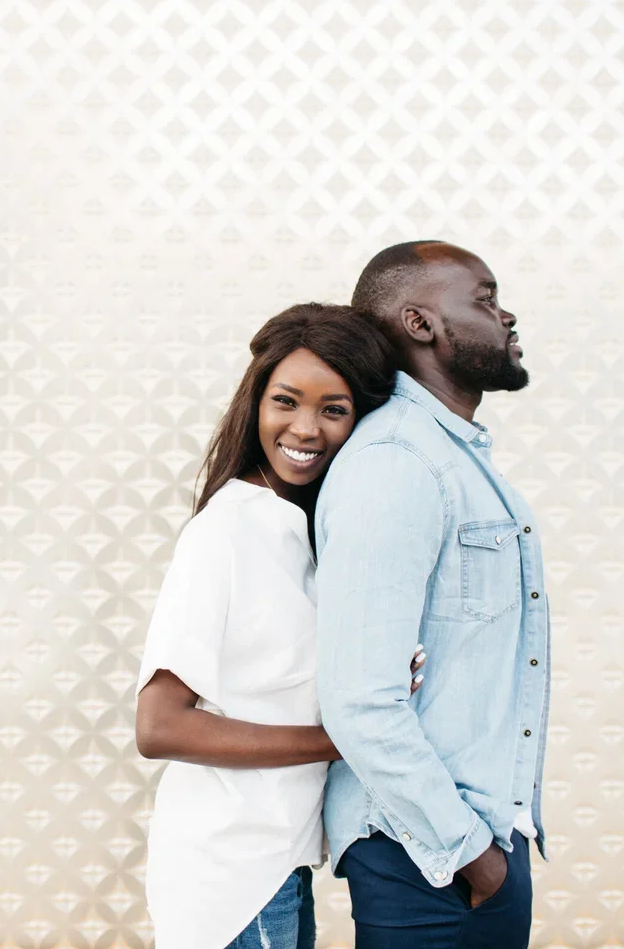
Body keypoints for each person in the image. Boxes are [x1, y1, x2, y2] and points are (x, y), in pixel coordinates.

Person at [134, 303, 425, 949]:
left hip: (279, 862)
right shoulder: (226, 530)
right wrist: (344, 738)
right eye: (286, 401)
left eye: (334, 409)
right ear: (256, 404)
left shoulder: (305, 534)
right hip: (230, 872)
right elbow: (160, 725)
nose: (305, 428)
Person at [315, 241, 550, 949]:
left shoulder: (452, 457)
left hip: (472, 841)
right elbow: (359, 699)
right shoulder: (398, 463)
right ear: (420, 324)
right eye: (483, 298)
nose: (506, 315)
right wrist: (472, 858)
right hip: (426, 855)